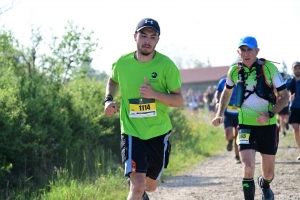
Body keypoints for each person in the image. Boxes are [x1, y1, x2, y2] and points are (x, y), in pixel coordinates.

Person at [103, 18, 183, 200]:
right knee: (138, 185)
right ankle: (136, 188)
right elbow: (113, 80)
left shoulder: (167, 66)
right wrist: (108, 99)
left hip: (158, 132)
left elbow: (178, 100)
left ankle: (139, 190)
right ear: (135, 37)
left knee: (150, 186)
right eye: (143, 35)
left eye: (152, 37)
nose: (147, 40)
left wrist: (155, 93)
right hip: (132, 131)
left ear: (157, 40)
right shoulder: (122, 63)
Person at [211, 36, 289, 200]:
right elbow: (226, 92)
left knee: (268, 173)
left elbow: (284, 97)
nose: (246, 54)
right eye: (243, 50)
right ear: (238, 52)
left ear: (257, 51)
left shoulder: (269, 69)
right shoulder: (234, 70)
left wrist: (269, 114)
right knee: (247, 167)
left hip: (267, 124)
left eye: (249, 50)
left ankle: (265, 184)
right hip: (245, 124)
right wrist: (219, 114)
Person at [215, 77, 240, 164]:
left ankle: (237, 156)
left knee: (238, 137)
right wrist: (217, 102)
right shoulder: (223, 81)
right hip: (228, 113)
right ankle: (230, 141)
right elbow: (218, 92)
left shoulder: (243, 81)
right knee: (229, 135)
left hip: (240, 114)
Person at [286, 61, 300, 161]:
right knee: (295, 129)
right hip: (293, 107)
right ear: (292, 70)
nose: (297, 70)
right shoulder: (289, 81)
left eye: (299, 68)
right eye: (295, 68)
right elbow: (283, 94)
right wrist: (288, 98)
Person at [276, 73, 290, 138]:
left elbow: (288, 92)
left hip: (286, 103)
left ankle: (286, 123)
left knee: (286, 117)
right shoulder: (275, 82)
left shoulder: (286, 83)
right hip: (279, 103)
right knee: (281, 117)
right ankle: (283, 131)